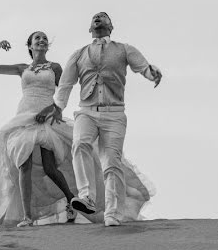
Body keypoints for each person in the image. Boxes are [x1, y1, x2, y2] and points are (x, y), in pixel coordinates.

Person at [0, 31, 79, 227]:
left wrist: (52, 110)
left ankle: (71, 200)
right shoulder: (23, 68)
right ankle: (27, 217)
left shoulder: (54, 67)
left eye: (44, 38)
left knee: (49, 166)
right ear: (30, 45)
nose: (42, 40)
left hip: (45, 116)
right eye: (37, 38)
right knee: (24, 164)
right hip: (24, 116)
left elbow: (64, 90)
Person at [52, 12, 162, 227]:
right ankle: (87, 197)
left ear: (111, 27)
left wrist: (152, 73)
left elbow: (143, 67)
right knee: (80, 144)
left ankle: (112, 214)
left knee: (111, 162)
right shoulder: (79, 54)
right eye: (95, 17)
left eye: (104, 17)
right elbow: (65, 84)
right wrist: (58, 107)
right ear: (90, 28)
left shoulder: (124, 49)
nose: (99, 18)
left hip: (115, 114)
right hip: (86, 111)